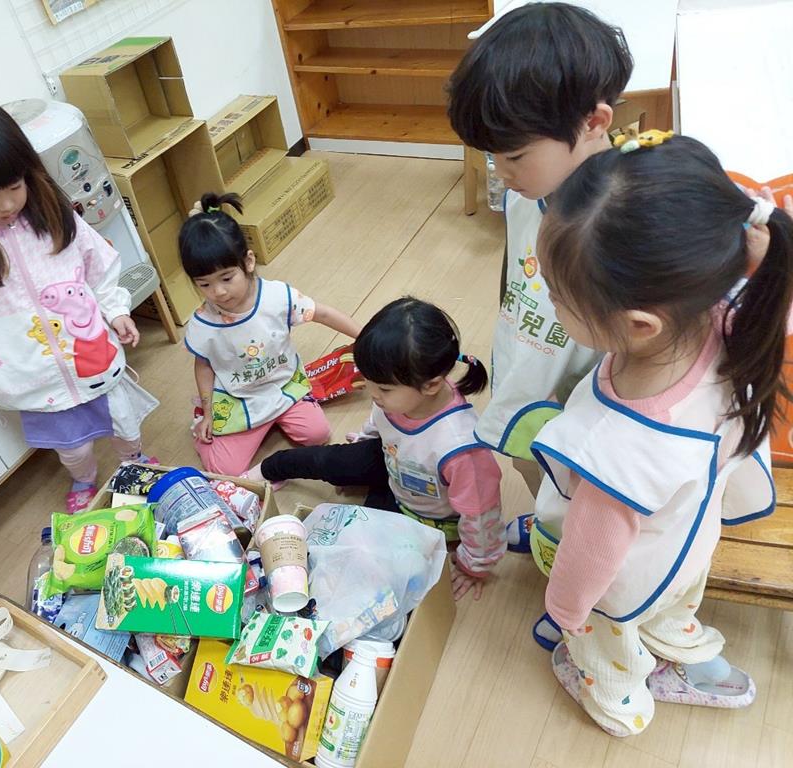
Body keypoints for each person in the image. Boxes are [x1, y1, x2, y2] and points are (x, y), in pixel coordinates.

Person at [529, 133, 788, 736]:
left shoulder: (617, 447)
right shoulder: (728, 318)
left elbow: (590, 554)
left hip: (623, 576)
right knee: (670, 600)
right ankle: (681, 641)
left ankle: (621, 702)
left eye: (559, 296)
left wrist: (565, 609)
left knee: (601, 638)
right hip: (689, 540)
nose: (549, 300)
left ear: (640, 324)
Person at [0, 94, 157, 514]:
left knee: (123, 421)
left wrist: (115, 310)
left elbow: (99, 266)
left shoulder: (52, 214)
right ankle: (84, 480)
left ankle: (133, 462)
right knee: (72, 446)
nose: (7, 205)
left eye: (14, 186)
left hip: (94, 358)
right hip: (33, 380)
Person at [445, 3, 633, 513]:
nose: (500, 173)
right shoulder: (528, 192)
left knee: (582, 494)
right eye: (491, 156)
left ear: (593, 122)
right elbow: (517, 275)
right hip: (528, 359)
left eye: (513, 156)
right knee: (528, 462)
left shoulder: (628, 218)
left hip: (589, 395)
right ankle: (550, 530)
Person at [247, 298, 504, 601]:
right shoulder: (397, 394)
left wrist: (473, 565)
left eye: (382, 389)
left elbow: (481, 515)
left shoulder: (460, 448)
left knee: (371, 562)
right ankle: (271, 468)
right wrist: (361, 444)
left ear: (431, 385)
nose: (372, 394)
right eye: (368, 382)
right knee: (330, 461)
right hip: (391, 462)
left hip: (423, 515)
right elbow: (379, 423)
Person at [181, 192, 360, 476]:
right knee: (225, 469)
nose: (219, 292)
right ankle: (240, 427)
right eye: (204, 284)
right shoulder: (204, 322)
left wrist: (365, 337)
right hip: (238, 397)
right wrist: (208, 412)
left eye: (227, 278)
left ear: (248, 262)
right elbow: (203, 364)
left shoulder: (277, 296)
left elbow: (322, 313)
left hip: (283, 384)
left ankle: (274, 419)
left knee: (318, 434)